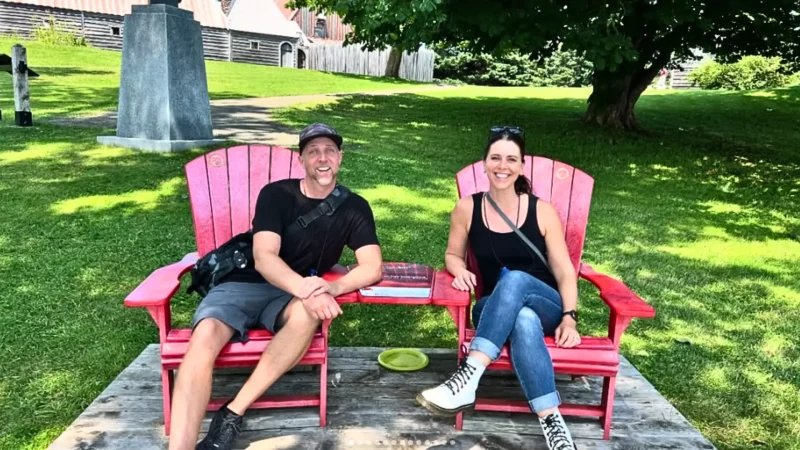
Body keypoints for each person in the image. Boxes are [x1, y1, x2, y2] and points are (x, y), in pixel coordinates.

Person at [169, 123, 383, 450]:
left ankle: (232, 412)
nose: (322, 158)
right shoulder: (277, 195)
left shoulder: (355, 207)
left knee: (307, 316)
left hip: (289, 297)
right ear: (302, 160)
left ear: (340, 157)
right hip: (245, 282)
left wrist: (332, 289)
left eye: (329, 151)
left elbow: (372, 267)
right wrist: (308, 289)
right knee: (204, 337)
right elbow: (264, 256)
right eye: (313, 152)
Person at [416, 126, 581, 450]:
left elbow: (564, 270)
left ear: (521, 166)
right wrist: (459, 269)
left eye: (511, 159)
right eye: (495, 158)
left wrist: (569, 316)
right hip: (492, 307)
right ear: (484, 163)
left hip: (544, 301)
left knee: (516, 278)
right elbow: (452, 254)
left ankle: (470, 374)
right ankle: (553, 423)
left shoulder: (541, 210)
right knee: (522, 320)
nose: (502, 166)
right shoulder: (467, 208)